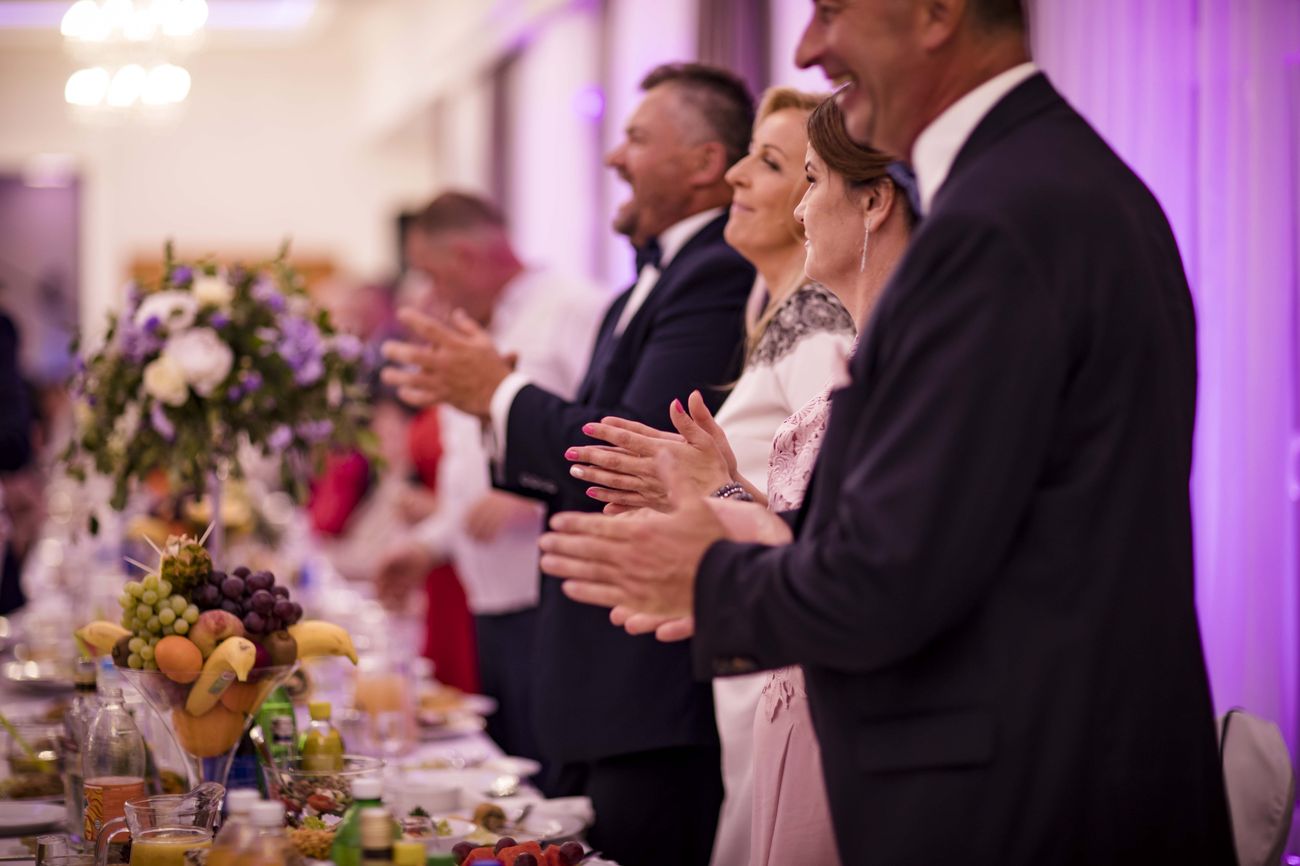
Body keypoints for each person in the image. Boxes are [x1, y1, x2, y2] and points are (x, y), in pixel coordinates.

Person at [536, 0, 1236, 862]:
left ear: (937, 13)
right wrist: (735, 523)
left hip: (1026, 800)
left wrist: (708, 578)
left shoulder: (1000, 221)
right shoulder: (1057, 184)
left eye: (831, 11)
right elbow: (964, 528)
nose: (806, 46)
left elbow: (891, 569)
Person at [383, 64, 757, 866]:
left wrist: (498, 392)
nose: (615, 156)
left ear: (704, 163)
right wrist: (490, 400)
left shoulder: (718, 271)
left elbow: (628, 449)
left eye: (637, 138)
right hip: (599, 665)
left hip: (647, 669)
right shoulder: (641, 289)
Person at [565, 94, 915, 865]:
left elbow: (838, 551)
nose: (745, 179)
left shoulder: (829, 331)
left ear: (875, 201)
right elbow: (801, 523)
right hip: (773, 660)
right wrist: (711, 490)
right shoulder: (808, 322)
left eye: (803, 175)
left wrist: (714, 502)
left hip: (808, 668)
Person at [376, 192, 604, 762]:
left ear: (466, 257)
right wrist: (427, 546)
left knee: (549, 770)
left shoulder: (574, 309)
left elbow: (615, 432)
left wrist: (534, 494)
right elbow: (472, 475)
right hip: (489, 596)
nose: (432, 294)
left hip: (550, 594)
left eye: (433, 275)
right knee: (506, 765)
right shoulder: (489, 325)